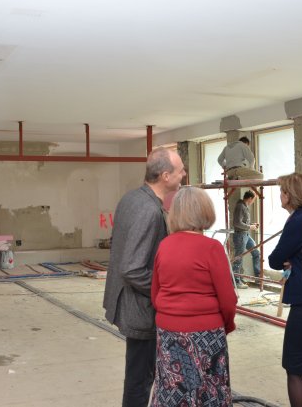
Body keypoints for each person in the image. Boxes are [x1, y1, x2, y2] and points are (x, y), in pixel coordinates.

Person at [103, 147, 187, 407]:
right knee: (140, 380)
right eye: (180, 170)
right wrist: (165, 291)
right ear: (165, 176)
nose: (184, 174)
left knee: (137, 376)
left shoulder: (131, 198)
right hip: (140, 309)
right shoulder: (149, 210)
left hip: (129, 302)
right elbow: (132, 268)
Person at [150, 186, 237, 407]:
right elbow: (228, 300)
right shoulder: (212, 248)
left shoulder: (164, 246)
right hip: (206, 333)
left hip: (168, 331)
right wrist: (225, 325)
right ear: (205, 211)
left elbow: (155, 293)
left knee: (173, 390)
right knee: (209, 392)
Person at [268, 173, 302, 407]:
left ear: (289, 195)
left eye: (282, 191)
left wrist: (287, 259)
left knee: (294, 366)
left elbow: (274, 259)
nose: (280, 195)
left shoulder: (299, 221)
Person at [232, 190, 261, 289]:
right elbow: (236, 223)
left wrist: (251, 225)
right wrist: (249, 227)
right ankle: (236, 281)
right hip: (240, 235)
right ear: (250, 198)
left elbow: (242, 222)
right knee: (238, 258)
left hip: (245, 234)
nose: (253, 201)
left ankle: (258, 276)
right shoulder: (240, 206)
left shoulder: (244, 206)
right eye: (253, 200)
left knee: (256, 252)